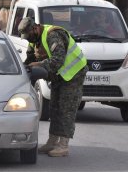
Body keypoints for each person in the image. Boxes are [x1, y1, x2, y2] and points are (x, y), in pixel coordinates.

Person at [18, 17, 88, 157]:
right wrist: (23, 68)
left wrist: (39, 65)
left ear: (35, 28)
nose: (29, 39)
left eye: (29, 35)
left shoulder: (52, 35)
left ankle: (63, 145)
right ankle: (52, 141)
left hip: (73, 74)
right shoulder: (34, 40)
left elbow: (57, 61)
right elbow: (30, 59)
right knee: (54, 107)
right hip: (59, 76)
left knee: (66, 109)